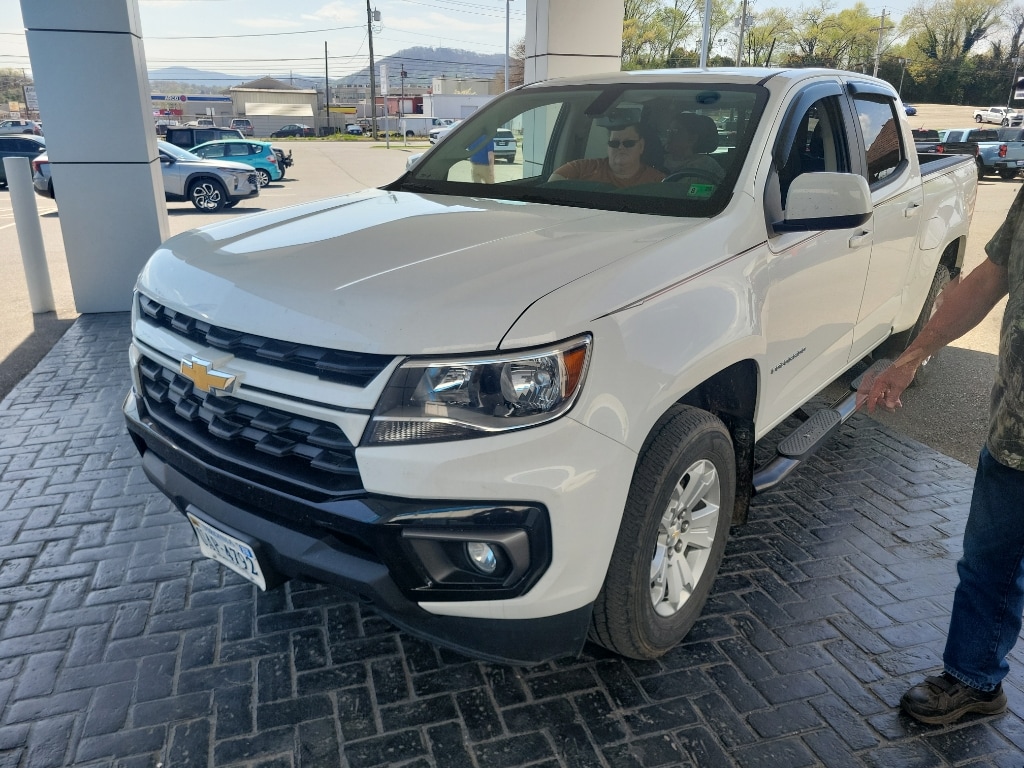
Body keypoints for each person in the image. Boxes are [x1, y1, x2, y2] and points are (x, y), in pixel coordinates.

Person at [859, 183, 1024, 726]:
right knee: (988, 566)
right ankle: (974, 678)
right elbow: (982, 285)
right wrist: (909, 358)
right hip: (1015, 437)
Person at [549, 122, 665, 188]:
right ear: (608, 147)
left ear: (641, 146)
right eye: (614, 143)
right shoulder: (581, 168)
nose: (620, 147)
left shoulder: (658, 180)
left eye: (628, 143)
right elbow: (551, 188)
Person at [662, 112, 725, 182]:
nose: (669, 135)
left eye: (675, 131)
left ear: (692, 139)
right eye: (668, 131)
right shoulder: (659, 160)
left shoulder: (705, 165)